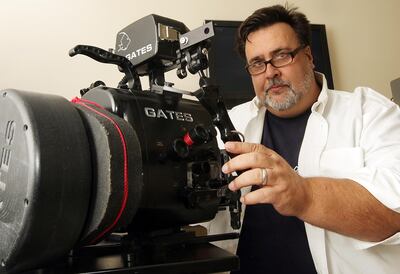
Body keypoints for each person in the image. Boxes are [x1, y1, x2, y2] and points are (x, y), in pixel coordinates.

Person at [205, 4, 400, 274]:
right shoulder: (224, 125)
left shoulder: (369, 112)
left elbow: (394, 213)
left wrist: (303, 194)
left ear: (308, 56)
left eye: (282, 56)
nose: (270, 72)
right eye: (258, 63)